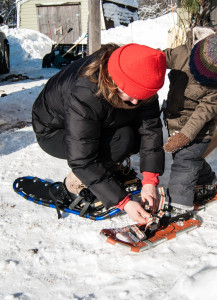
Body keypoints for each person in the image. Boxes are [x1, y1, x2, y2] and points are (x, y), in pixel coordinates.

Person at [32, 43, 167, 224]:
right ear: (115, 80)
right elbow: (82, 159)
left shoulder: (140, 77)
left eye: (141, 96)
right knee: (122, 139)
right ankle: (75, 184)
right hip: (55, 131)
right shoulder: (85, 92)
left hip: (94, 120)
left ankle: (106, 172)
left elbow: (149, 129)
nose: (136, 101)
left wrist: (150, 180)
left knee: (134, 134)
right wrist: (124, 202)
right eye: (132, 94)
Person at [162, 27, 217, 213]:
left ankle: (178, 207)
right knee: (189, 157)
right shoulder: (182, 53)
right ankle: (207, 180)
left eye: (209, 80)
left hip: (200, 129)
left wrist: (185, 135)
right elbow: (159, 58)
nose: (202, 80)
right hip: (174, 121)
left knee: (184, 162)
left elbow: (203, 113)